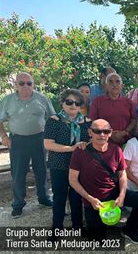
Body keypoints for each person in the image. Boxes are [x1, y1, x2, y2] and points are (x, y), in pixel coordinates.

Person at [69, 119, 138, 243]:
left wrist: (121, 195)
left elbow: (122, 175)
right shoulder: (80, 151)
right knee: (97, 240)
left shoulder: (116, 150)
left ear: (110, 133)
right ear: (90, 132)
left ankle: (130, 229)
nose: (102, 135)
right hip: (93, 199)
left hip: (112, 192)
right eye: (97, 131)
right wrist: (90, 199)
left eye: (105, 131)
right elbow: (72, 180)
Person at [0, 72, 55, 218]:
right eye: (21, 83)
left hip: (39, 139)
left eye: (29, 83)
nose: (25, 86)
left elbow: (52, 118)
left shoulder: (42, 98)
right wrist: (3, 136)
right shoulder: (7, 100)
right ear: (15, 85)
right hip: (17, 141)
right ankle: (18, 204)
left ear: (33, 84)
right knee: (18, 173)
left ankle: (43, 199)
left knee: (41, 171)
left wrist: (51, 138)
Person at [44, 89, 90, 232]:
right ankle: (56, 227)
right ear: (62, 103)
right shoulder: (54, 121)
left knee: (76, 196)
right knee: (59, 197)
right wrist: (71, 148)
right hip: (59, 164)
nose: (73, 105)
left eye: (77, 103)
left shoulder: (87, 121)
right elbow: (48, 144)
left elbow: (91, 141)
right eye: (69, 102)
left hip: (79, 166)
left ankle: (78, 226)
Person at [90, 72, 137, 146]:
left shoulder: (128, 102)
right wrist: (110, 134)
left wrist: (124, 132)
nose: (114, 84)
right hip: (104, 141)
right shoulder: (98, 101)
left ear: (122, 86)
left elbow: (134, 120)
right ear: (106, 86)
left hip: (126, 142)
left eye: (117, 82)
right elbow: (93, 121)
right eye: (110, 81)